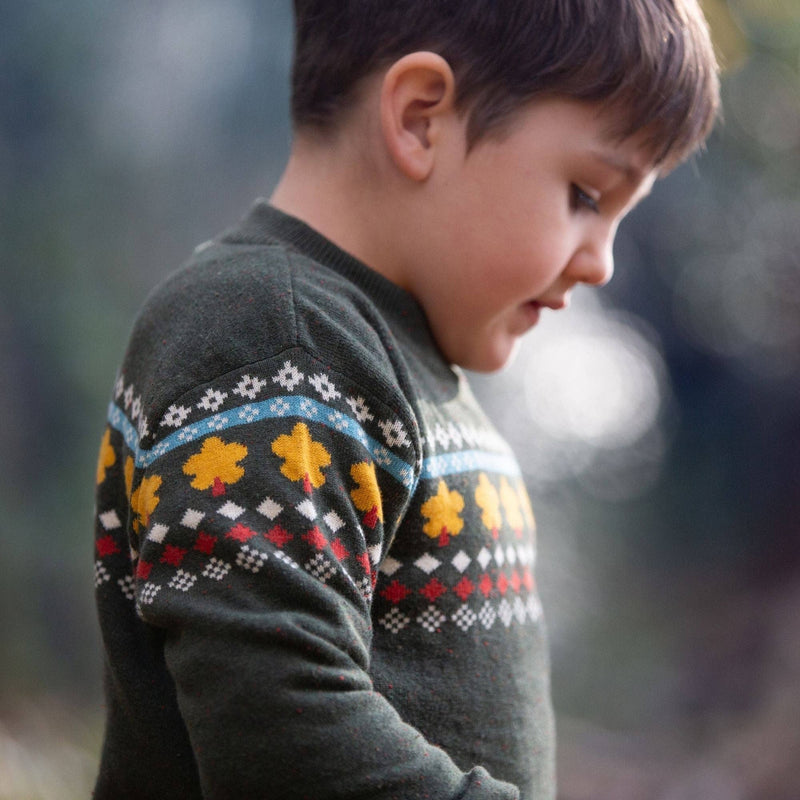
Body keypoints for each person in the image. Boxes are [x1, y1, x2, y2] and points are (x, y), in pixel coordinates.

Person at [92, 1, 719, 797]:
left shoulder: (388, 361)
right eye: (587, 196)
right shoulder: (270, 335)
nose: (601, 264)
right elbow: (281, 732)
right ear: (422, 119)